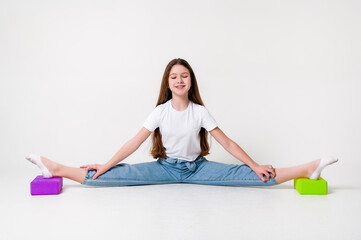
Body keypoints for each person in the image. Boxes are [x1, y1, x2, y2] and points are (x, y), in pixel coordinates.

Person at [26, 58, 338, 187]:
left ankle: (308, 168)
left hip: (198, 168)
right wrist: (107, 164)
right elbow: (134, 142)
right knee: (104, 179)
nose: (179, 80)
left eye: (184, 76)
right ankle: (56, 169)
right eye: (174, 76)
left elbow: (226, 142)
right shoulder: (160, 111)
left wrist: (255, 164)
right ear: (168, 82)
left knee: (256, 179)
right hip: (164, 167)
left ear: (190, 82)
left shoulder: (200, 111)